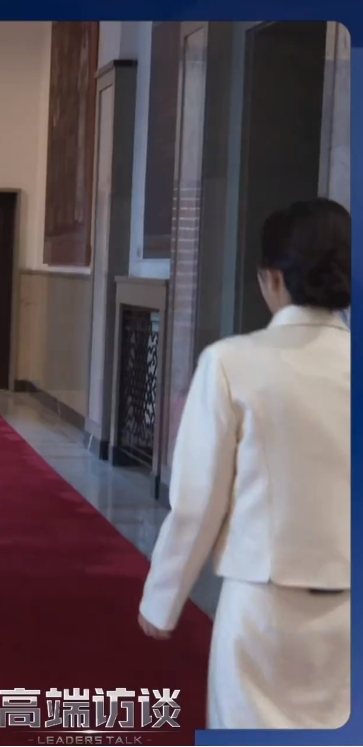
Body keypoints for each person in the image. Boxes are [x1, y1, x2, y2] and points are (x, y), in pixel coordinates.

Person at [138, 197, 350, 729]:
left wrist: (163, 599)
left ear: (271, 278)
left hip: (263, 603)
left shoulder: (231, 362)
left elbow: (198, 502)